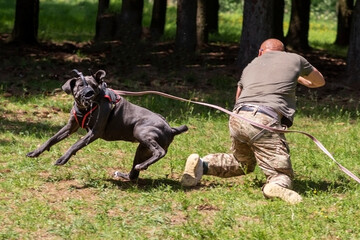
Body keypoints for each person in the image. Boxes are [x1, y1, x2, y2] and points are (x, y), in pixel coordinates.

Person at [180, 38, 325, 204]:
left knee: (243, 162)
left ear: (260, 52)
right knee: (281, 172)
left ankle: (201, 164)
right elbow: (319, 81)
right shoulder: (295, 59)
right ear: (283, 52)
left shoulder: (250, 65)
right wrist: (298, 77)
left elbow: (238, 98)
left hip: (238, 117)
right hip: (264, 120)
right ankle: (275, 185)